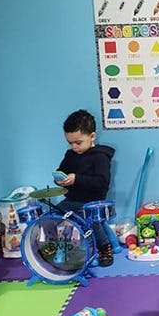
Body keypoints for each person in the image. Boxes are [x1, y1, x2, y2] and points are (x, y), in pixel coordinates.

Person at [54, 110, 115, 267]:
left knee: (91, 221)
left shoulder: (100, 156)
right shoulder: (70, 155)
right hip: (72, 200)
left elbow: (102, 183)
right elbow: (62, 171)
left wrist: (77, 179)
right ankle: (62, 249)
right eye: (70, 143)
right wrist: (60, 180)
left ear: (92, 136)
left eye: (78, 143)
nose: (74, 147)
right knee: (53, 215)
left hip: (93, 202)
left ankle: (104, 247)